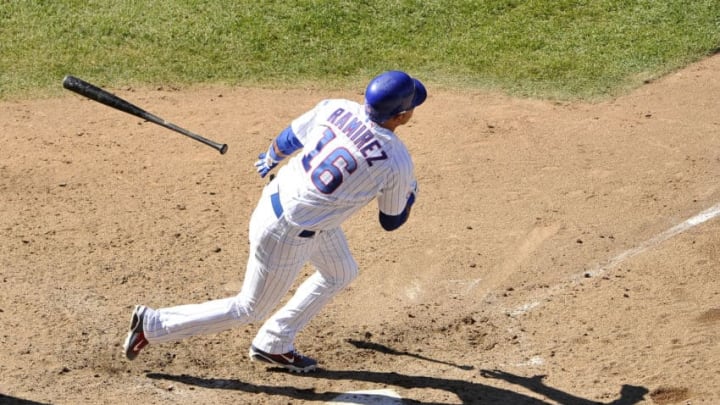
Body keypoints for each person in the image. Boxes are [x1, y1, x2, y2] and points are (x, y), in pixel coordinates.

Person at [122, 70, 427, 373]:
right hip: (288, 233)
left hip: (281, 201)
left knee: (341, 272)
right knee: (249, 308)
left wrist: (270, 157)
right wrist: (410, 193)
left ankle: (275, 342)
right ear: (400, 116)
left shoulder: (337, 107)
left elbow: (292, 136)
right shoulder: (396, 161)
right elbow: (391, 221)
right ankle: (154, 325)